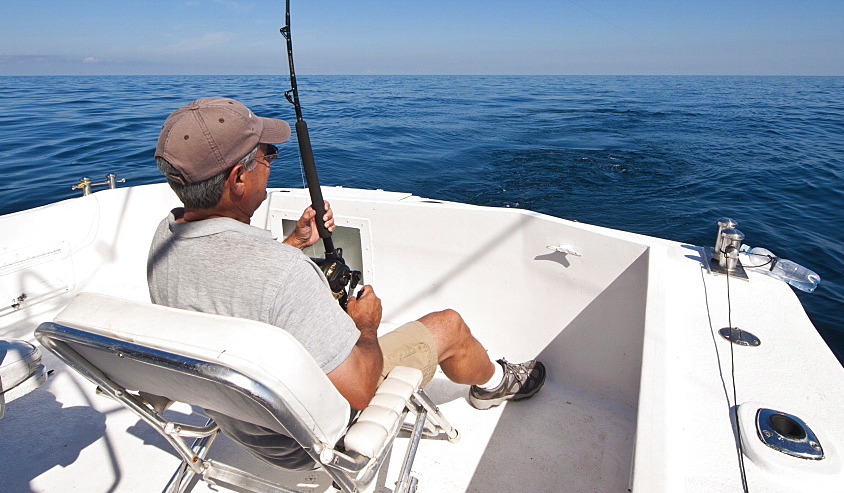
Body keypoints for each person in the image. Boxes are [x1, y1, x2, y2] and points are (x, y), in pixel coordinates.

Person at [146, 97, 545, 469]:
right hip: (302, 441)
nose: (270, 164)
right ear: (237, 178)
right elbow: (359, 390)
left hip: (241, 421)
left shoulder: (163, 243)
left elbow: (234, 288)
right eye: (267, 155)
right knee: (450, 325)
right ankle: (495, 385)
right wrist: (366, 324)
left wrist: (297, 243)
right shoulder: (283, 273)